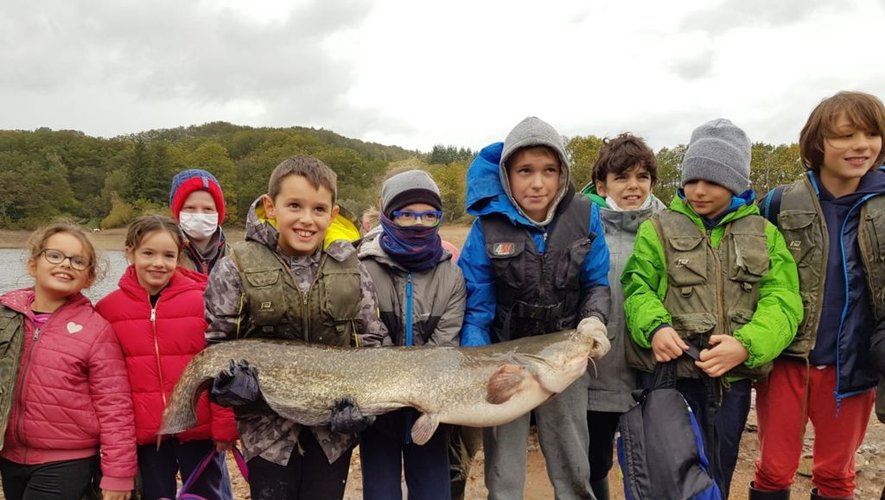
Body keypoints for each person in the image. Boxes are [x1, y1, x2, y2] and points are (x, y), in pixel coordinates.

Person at [622, 118, 803, 498]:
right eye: (692, 180)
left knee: (718, 473)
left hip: (730, 384)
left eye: (713, 181)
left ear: (735, 182)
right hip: (669, 382)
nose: (699, 190)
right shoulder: (656, 229)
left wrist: (747, 345)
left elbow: (783, 301)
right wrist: (655, 328)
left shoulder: (765, 234)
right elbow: (637, 288)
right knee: (666, 477)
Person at [203, 155, 388, 500]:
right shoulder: (234, 267)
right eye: (294, 206)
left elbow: (370, 341)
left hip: (333, 433)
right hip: (266, 434)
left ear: (332, 214)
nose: (306, 219)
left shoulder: (352, 268)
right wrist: (227, 386)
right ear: (270, 207)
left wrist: (363, 406)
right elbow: (218, 344)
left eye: (318, 209)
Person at [458, 116, 612, 499]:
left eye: (548, 170)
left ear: (562, 173)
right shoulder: (486, 227)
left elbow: (596, 282)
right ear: (507, 175)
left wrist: (594, 321)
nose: (538, 182)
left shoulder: (585, 215)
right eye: (525, 171)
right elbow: (477, 307)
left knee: (573, 462)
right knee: (504, 470)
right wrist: (479, 364)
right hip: (505, 360)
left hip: (565, 356)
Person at [752, 91, 885, 500]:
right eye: (844, 135)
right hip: (787, 360)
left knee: (836, 473)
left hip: (853, 366)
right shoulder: (778, 203)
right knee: (773, 469)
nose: (860, 145)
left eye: (871, 134)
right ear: (817, 143)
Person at [95, 215, 237, 500]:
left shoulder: (203, 300)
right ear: (130, 253)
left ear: (179, 256)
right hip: (147, 437)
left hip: (199, 430)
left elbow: (221, 365)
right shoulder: (108, 310)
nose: (158, 263)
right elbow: (105, 381)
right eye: (148, 253)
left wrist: (225, 423)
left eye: (168, 255)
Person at [0, 223, 136, 500]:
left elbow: (115, 406)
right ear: (33, 264)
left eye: (78, 261)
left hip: (66, 461)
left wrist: (118, 474)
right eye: (54, 255)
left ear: (89, 278)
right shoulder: (6, 317)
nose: (65, 264)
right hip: (10, 455)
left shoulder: (95, 330)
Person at [357, 169, 466, 500]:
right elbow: (368, 338)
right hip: (377, 412)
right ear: (388, 214)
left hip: (432, 412)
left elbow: (444, 347)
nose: (419, 224)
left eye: (429, 215)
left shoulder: (452, 277)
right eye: (406, 215)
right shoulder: (361, 268)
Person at [580, 132, 667, 500]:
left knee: (649, 462)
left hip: (650, 372)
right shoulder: (583, 230)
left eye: (642, 177)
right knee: (593, 462)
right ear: (602, 186)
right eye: (622, 177)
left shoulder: (670, 229)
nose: (634, 186)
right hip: (597, 374)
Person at [169, 168, 229, 274]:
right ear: (177, 212)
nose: (199, 215)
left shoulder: (235, 259)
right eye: (190, 208)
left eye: (208, 209)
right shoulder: (164, 257)